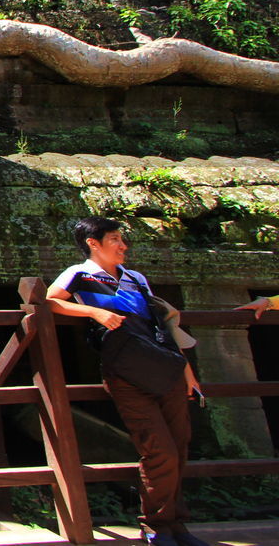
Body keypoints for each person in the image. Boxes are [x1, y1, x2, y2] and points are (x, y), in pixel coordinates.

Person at [46, 216, 209, 546]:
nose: (123, 246)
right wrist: (94, 313)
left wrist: (187, 373)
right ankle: (156, 525)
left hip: (166, 367)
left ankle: (177, 526)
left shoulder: (136, 278)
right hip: (126, 372)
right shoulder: (80, 274)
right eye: (116, 239)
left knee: (178, 447)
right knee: (158, 449)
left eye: (122, 239)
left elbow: (163, 326)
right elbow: (49, 300)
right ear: (94, 243)